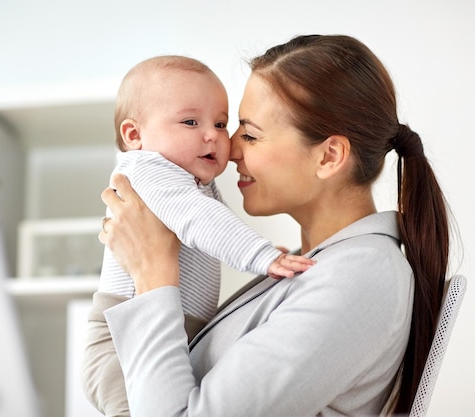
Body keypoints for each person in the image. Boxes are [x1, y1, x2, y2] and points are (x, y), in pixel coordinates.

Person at [98, 34, 453, 416]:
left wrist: (153, 273)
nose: (229, 149)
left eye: (248, 134)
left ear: (329, 156)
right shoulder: (322, 267)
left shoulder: (360, 276)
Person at [82, 55, 314, 417]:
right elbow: (200, 221)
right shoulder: (147, 169)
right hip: (119, 341)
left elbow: (206, 237)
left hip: (168, 327)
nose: (214, 135)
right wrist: (262, 255)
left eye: (221, 123)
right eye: (191, 121)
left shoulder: (189, 181)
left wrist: (261, 264)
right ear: (134, 135)